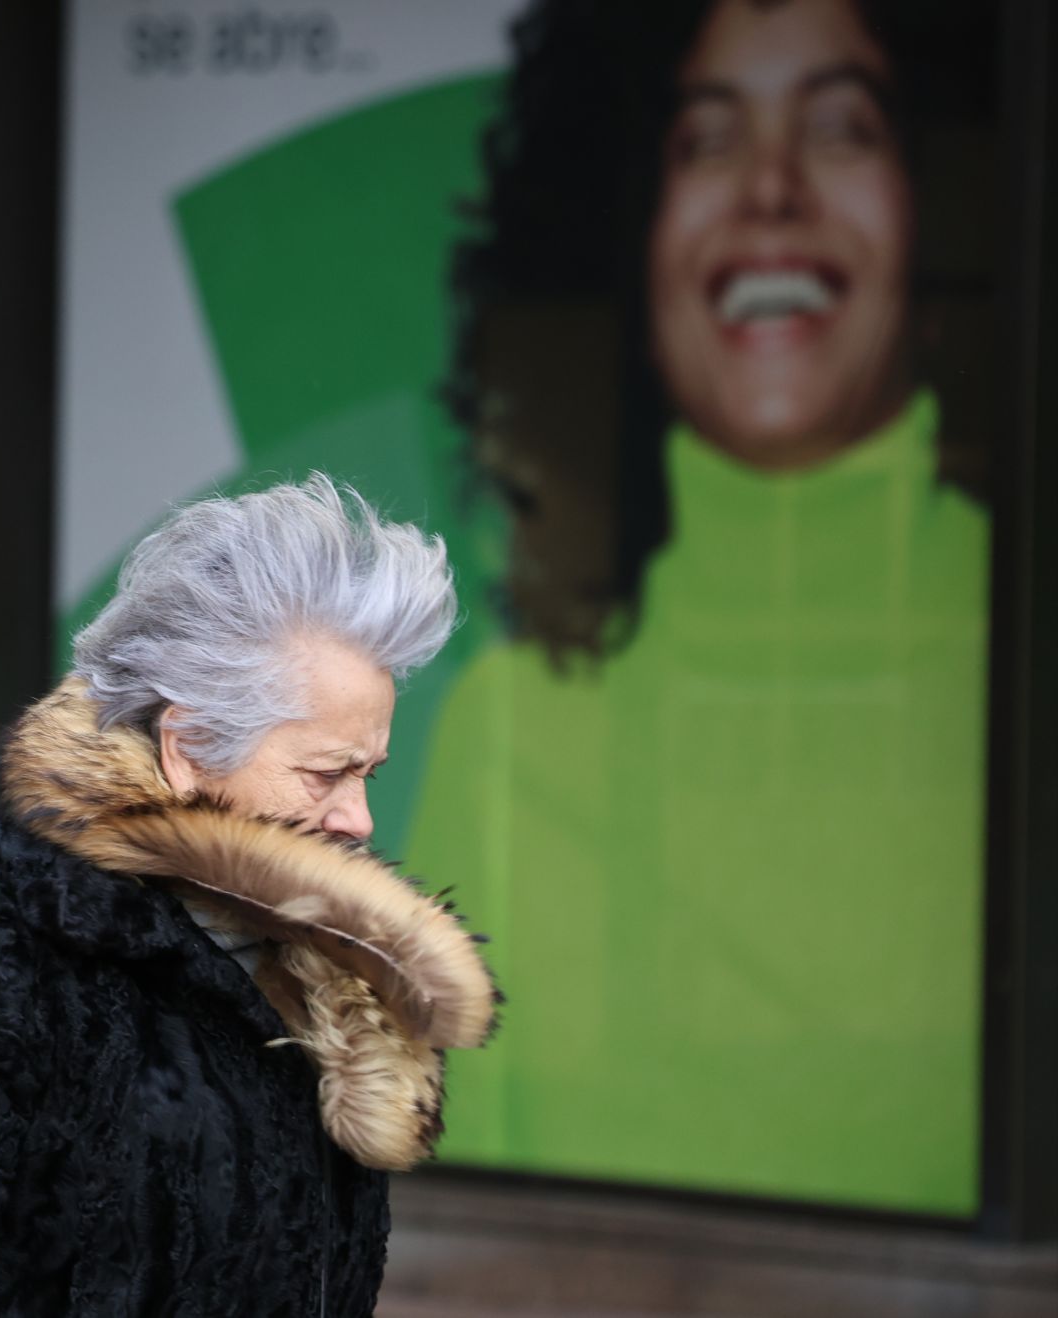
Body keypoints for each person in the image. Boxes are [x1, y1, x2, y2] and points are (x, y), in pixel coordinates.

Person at [412, 0, 995, 1211]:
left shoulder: (1018, 660)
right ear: (625, 236)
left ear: (943, 213)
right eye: (707, 142)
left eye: (842, 127)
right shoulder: (512, 727)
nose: (771, 189)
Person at [0, 476, 497, 1315]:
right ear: (185, 747)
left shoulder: (324, 980)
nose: (357, 819)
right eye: (326, 773)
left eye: (368, 773)